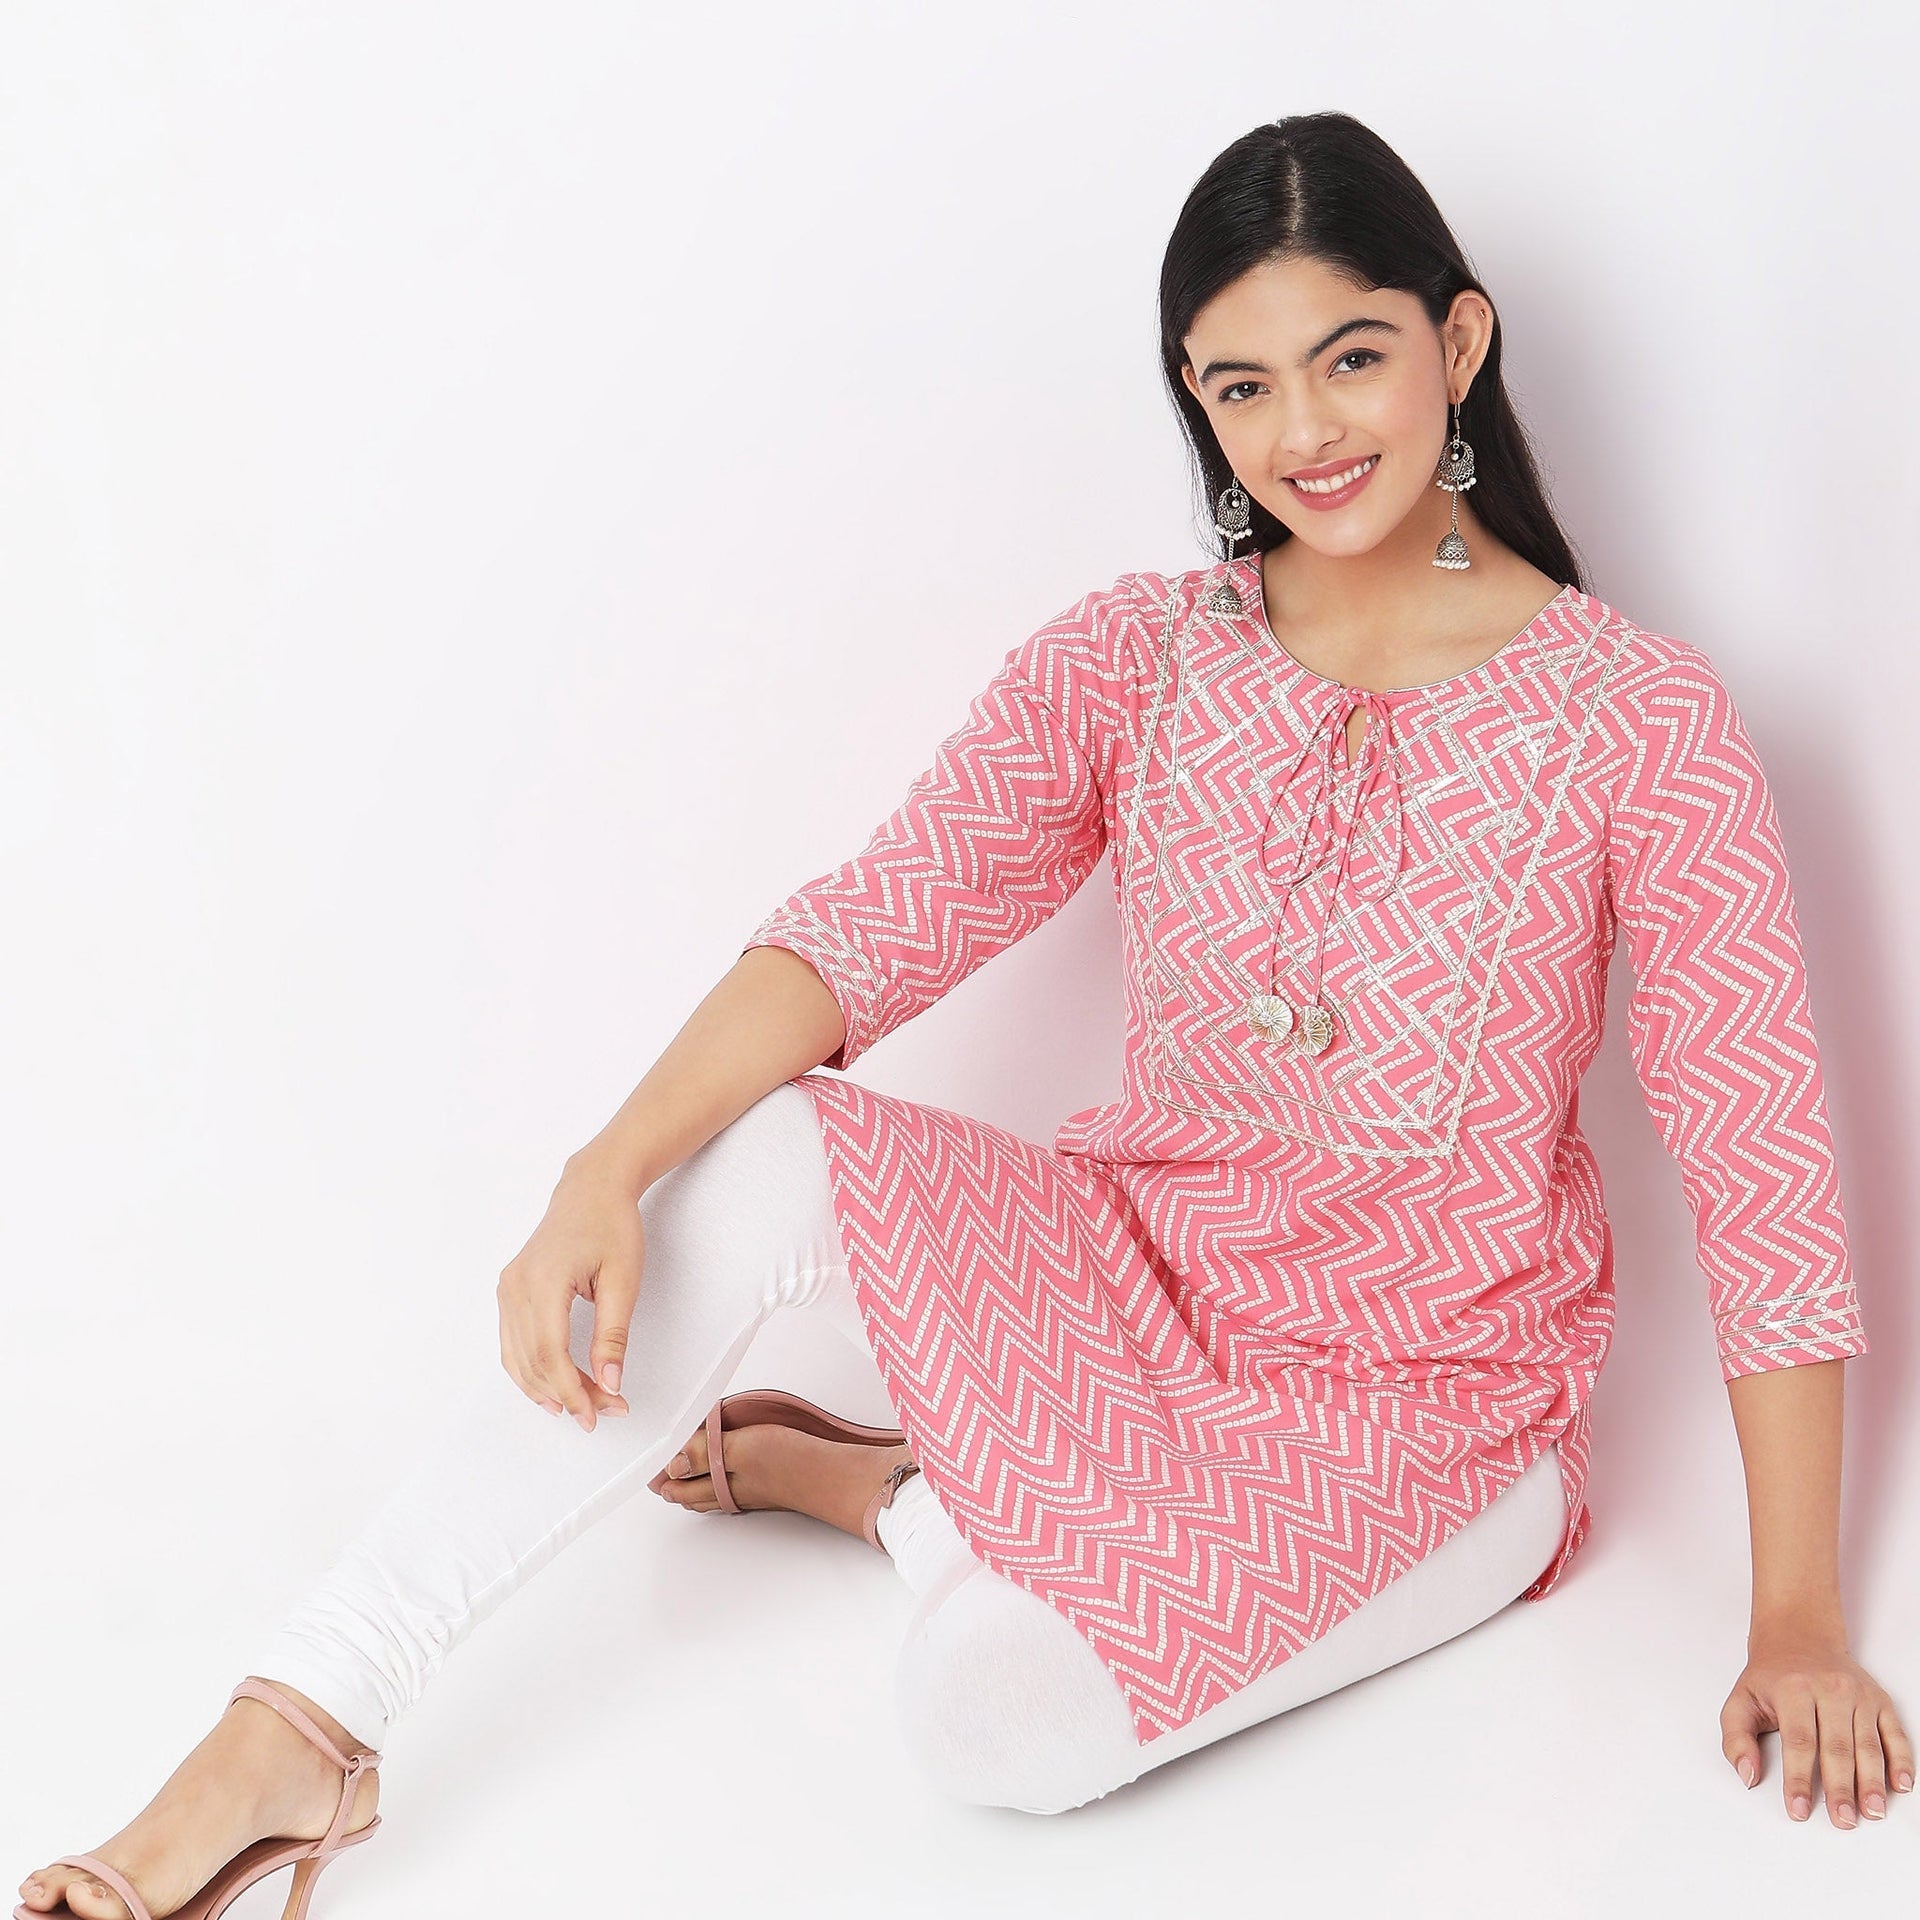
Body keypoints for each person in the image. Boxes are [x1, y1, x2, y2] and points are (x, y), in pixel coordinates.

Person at [17, 107, 1912, 1920]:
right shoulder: (1139, 659)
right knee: (757, 1146)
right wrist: (605, 1167)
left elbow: (1760, 1170)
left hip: (1422, 1419)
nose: (1305, 433)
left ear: (1460, 344)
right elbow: (870, 928)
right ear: (1195, 399)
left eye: (1352, 359)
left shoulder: (1643, 722)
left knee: (993, 1717)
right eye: (1241, 386)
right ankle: (299, 1730)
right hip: (1126, 1291)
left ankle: (899, 1496)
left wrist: (1798, 1618)